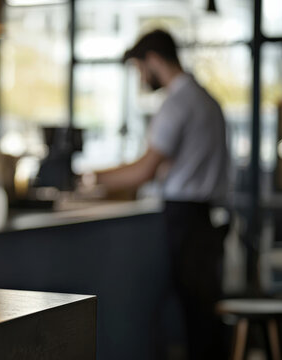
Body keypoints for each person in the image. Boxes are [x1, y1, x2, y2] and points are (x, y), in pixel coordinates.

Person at [82, 29, 228, 359]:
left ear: (153, 60)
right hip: (206, 217)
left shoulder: (177, 103)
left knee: (196, 314)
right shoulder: (206, 99)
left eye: (138, 69)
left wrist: (89, 177)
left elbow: (145, 170)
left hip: (185, 218)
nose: (139, 77)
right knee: (203, 315)